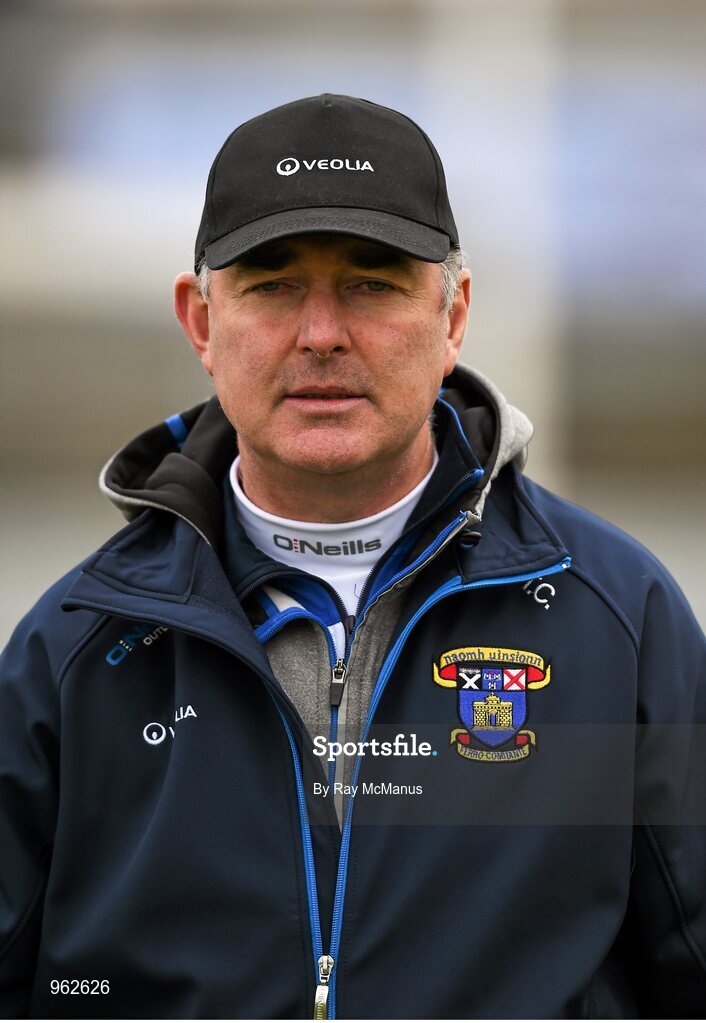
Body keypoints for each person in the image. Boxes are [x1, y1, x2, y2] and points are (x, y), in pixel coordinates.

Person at [0, 94, 704, 1020]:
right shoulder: (77, 650)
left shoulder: (618, 619)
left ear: (453, 317)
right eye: (272, 283)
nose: (322, 333)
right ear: (202, 321)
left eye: (374, 283)